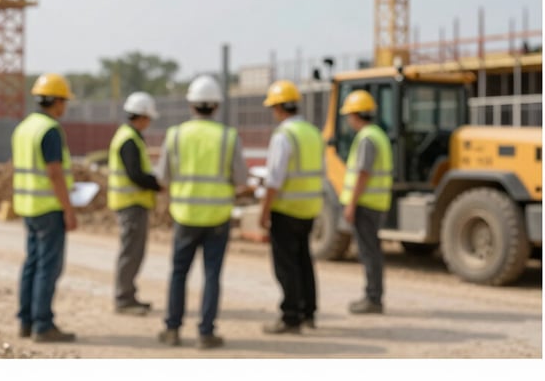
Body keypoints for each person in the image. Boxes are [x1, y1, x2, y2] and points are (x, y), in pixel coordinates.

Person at [155, 74, 248, 349]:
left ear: (191, 105)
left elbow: (163, 178)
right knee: (211, 275)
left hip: (185, 215)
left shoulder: (175, 135)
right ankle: (206, 333)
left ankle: (172, 329)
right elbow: (241, 180)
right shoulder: (228, 137)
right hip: (218, 217)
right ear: (216, 106)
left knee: (178, 273)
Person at [12, 73, 79, 342]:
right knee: (47, 267)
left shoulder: (25, 127)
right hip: (48, 208)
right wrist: (69, 209)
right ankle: (43, 325)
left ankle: (26, 321)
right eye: (64, 101)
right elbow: (54, 173)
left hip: (28, 206)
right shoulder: (49, 130)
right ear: (57, 101)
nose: (65, 107)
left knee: (32, 263)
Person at [258, 80, 325, 333]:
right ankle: (309, 313)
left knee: (286, 265)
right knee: (304, 261)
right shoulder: (313, 132)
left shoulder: (283, 136)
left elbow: (274, 179)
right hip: (309, 207)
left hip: (286, 209)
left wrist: (264, 211)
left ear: (277, 108)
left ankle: (290, 317)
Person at [107, 91, 163, 315]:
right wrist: (158, 184)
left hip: (132, 203)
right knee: (130, 252)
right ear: (141, 116)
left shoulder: (129, 136)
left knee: (133, 251)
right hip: (130, 204)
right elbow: (136, 175)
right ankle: (124, 298)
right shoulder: (128, 140)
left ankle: (128, 294)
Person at [339, 89, 393, 314]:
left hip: (366, 204)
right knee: (372, 250)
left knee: (369, 252)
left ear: (355, 115)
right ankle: (374, 295)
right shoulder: (378, 134)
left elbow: (363, 173)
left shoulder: (366, 138)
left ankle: (373, 298)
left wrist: (351, 204)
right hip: (376, 202)